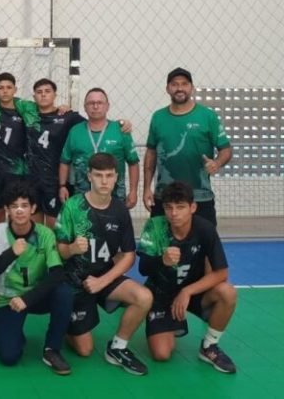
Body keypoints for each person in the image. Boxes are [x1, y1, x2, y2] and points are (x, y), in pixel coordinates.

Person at [55, 153, 153, 376]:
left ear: (116, 177)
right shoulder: (72, 207)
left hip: (103, 277)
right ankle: (64, 320)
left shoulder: (119, 210)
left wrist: (102, 281)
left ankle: (117, 348)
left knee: (144, 297)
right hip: (76, 281)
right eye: (98, 175)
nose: (104, 181)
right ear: (89, 175)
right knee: (85, 350)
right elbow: (59, 251)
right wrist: (72, 249)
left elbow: (129, 255)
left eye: (109, 176)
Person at [138, 181, 237, 373]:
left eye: (180, 207)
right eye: (169, 207)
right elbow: (143, 268)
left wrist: (187, 291)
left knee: (227, 292)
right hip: (161, 295)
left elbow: (221, 272)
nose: (174, 213)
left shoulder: (205, 229)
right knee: (161, 354)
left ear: (193, 207)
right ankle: (166, 324)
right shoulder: (155, 226)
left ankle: (209, 346)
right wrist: (162, 260)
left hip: (192, 294)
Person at [0, 181, 74, 375]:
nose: (20, 211)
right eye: (14, 206)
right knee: (9, 357)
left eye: (24, 206)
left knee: (64, 292)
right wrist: (11, 253)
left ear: (33, 208)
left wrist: (26, 299)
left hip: (34, 297)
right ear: (7, 209)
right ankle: (14, 334)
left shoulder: (45, 234)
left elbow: (57, 274)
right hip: (7, 300)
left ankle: (52, 349)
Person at [143, 68, 232, 227]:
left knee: (205, 249)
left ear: (192, 88)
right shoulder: (158, 117)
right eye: (175, 84)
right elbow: (151, 153)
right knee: (156, 248)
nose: (179, 88)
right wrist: (146, 188)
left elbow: (226, 149)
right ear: (168, 88)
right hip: (164, 197)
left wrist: (217, 163)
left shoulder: (208, 116)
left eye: (184, 84)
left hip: (199, 197)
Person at [59, 88, 139, 208]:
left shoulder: (121, 130)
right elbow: (64, 161)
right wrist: (62, 186)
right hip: (82, 198)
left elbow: (133, 163)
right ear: (85, 107)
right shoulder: (75, 131)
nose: (95, 106)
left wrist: (133, 191)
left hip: (115, 198)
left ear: (107, 106)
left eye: (100, 103)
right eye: (91, 103)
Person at [27, 78, 86, 228]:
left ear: (55, 95)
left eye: (47, 91)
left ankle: (54, 252)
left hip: (55, 180)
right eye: (39, 92)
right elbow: (4, 98)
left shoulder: (67, 117)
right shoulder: (28, 116)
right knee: (35, 227)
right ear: (34, 97)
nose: (43, 95)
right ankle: (39, 252)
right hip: (32, 179)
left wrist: (122, 123)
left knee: (54, 226)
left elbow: (95, 121)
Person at [0, 72, 37, 225]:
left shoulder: (24, 108)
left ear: (15, 89)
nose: (5, 91)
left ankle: (15, 245)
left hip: (16, 170)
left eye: (8, 87)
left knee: (15, 213)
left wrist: (62, 107)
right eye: (1, 88)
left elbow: (47, 107)